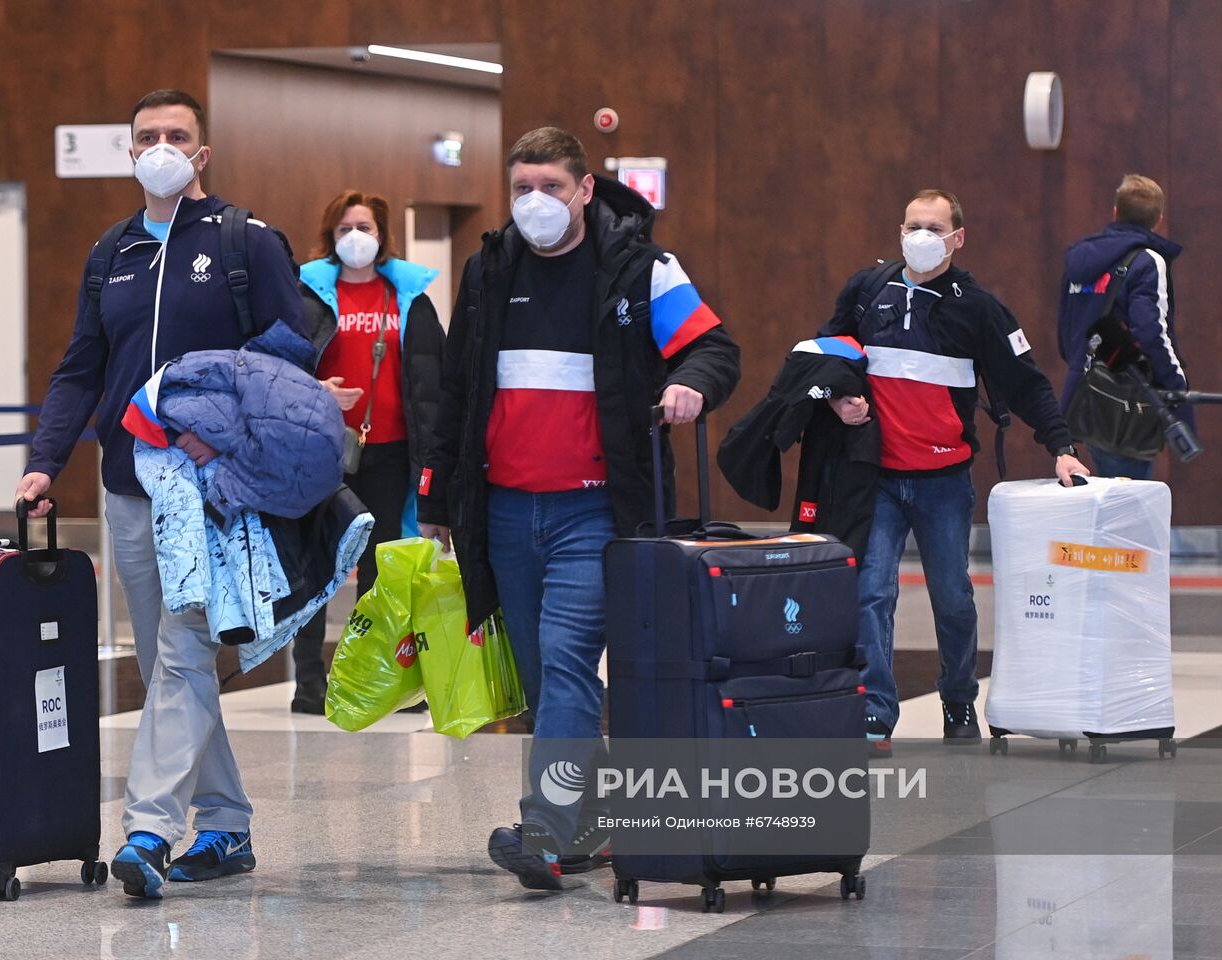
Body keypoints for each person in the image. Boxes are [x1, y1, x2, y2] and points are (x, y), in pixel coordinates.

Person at [417, 126, 740, 890]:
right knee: (538, 679)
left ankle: (546, 827)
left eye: (551, 187)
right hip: (502, 511)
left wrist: (689, 382)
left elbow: (716, 348)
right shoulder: (489, 270)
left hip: (595, 511)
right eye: (521, 187)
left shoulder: (640, 269)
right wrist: (435, 490)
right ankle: (587, 821)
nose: (535, 202)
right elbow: (458, 388)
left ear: (585, 189)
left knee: (566, 663)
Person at [14, 89, 303, 898]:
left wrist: (225, 422)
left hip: (210, 485)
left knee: (181, 653)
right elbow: (81, 367)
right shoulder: (112, 251)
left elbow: (292, 342)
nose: (163, 146)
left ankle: (147, 830)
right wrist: (46, 460)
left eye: (178, 135)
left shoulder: (246, 241)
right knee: (168, 659)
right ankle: (227, 824)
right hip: (127, 484)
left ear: (202, 153)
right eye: (149, 136)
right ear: (130, 152)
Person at [820, 189, 1089, 756]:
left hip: (943, 480)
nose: (922, 235)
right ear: (899, 231)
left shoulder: (979, 308)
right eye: (914, 225)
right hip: (878, 478)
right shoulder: (867, 292)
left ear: (957, 238)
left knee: (952, 596)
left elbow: (1026, 383)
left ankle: (959, 696)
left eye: (935, 227)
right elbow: (828, 357)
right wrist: (837, 399)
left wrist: (1060, 446)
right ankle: (875, 713)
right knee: (870, 591)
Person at [290, 190, 444, 714]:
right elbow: (280, 367)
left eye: (367, 227)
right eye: (345, 228)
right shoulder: (307, 295)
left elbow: (432, 376)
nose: (356, 237)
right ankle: (309, 682)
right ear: (330, 238)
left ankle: (372, 676)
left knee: (381, 568)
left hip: (393, 449)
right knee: (317, 565)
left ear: (383, 237)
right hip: (323, 451)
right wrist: (318, 391)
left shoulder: (409, 297)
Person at [1057, 173, 1189, 479]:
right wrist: (1176, 382)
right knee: (1126, 509)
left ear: (1115, 212)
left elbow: (1065, 329)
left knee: (1101, 500)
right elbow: (1151, 332)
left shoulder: (1079, 258)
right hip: (1124, 402)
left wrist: (1079, 365)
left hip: (1080, 394)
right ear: (1158, 219)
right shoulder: (1147, 261)